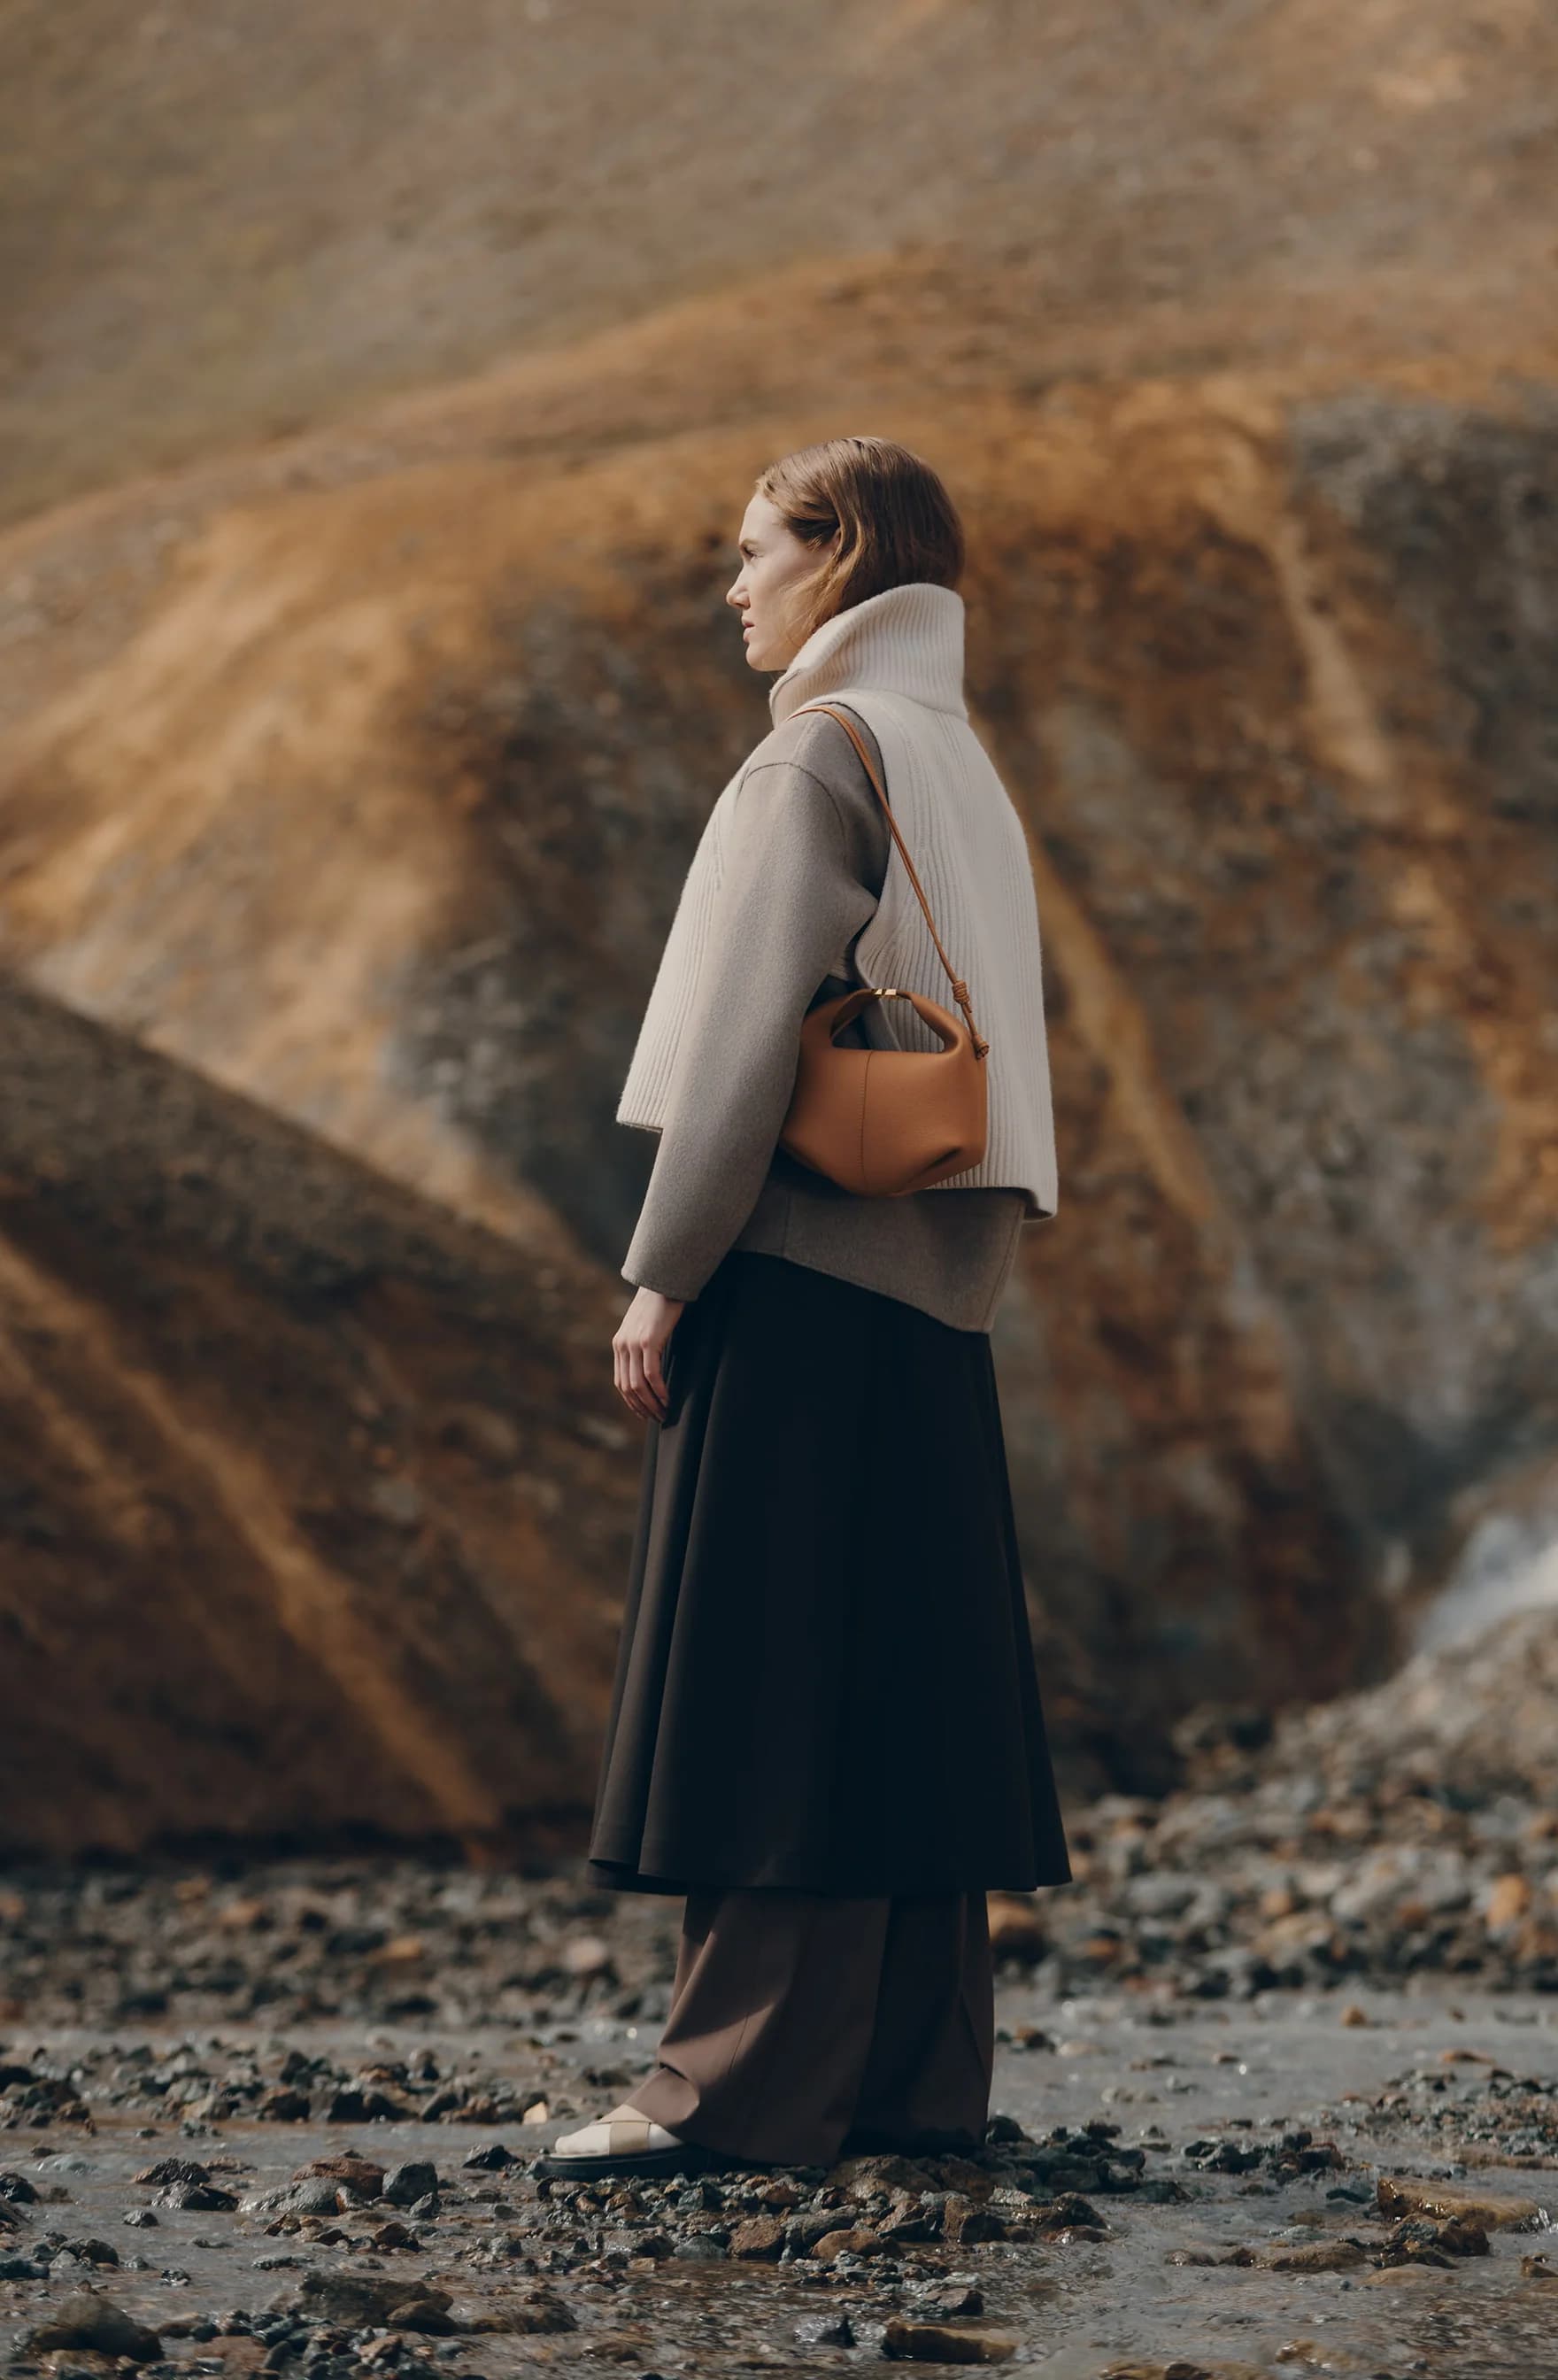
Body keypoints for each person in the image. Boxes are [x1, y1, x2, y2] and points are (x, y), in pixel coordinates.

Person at [551, 434, 1072, 2180]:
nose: (735, 587)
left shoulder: (814, 761)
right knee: (902, 1689)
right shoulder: (956, 756)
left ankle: (729, 2093)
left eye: (757, 551)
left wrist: (660, 1273)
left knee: (767, 1687)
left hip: (795, 1267)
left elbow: (737, 1065)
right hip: (934, 1296)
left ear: (839, 554)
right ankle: (911, 2090)